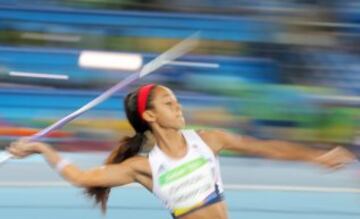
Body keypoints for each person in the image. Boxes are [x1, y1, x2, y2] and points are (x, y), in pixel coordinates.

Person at [8, 84, 356, 219]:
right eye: (168, 102)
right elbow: (81, 177)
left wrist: (316, 156)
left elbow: (267, 148)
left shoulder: (208, 139)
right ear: (149, 116)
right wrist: (41, 148)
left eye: (177, 100)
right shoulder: (142, 166)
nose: (178, 106)